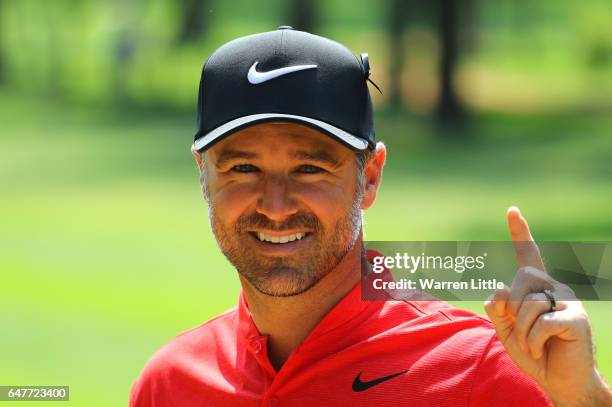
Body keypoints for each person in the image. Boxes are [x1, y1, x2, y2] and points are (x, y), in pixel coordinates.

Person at [130, 27, 612, 406]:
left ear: (372, 177)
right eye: (243, 168)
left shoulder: (480, 369)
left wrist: (581, 398)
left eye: (310, 168)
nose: (275, 204)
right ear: (203, 174)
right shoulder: (169, 383)